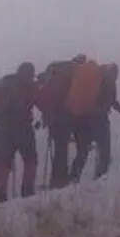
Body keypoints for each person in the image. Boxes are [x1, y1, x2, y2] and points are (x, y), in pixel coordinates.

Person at [0, 62, 38, 203]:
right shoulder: (28, 85)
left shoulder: (4, 84)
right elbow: (40, 100)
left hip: (4, 130)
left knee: (4, 163)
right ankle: (27, 192)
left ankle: (0, 195)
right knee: (30, 160)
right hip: (23, 129)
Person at [71, 62, 120, 180]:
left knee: (82, 151)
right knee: (104, 150)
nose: (116, 77)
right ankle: (100, 177)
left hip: (83, 118)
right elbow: (112, 102)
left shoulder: (95, 79)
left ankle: (74, 177)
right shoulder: (109, 82)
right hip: (99, 119)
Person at [35, 54, 85, 189]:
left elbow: (42, 88)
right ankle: (62, 180)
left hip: (53, 114)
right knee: (65, 148)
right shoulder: (76, 71)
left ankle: (57, 179)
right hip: (67, 114)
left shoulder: (56, 69)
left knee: (59, 148)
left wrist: (46, 114)